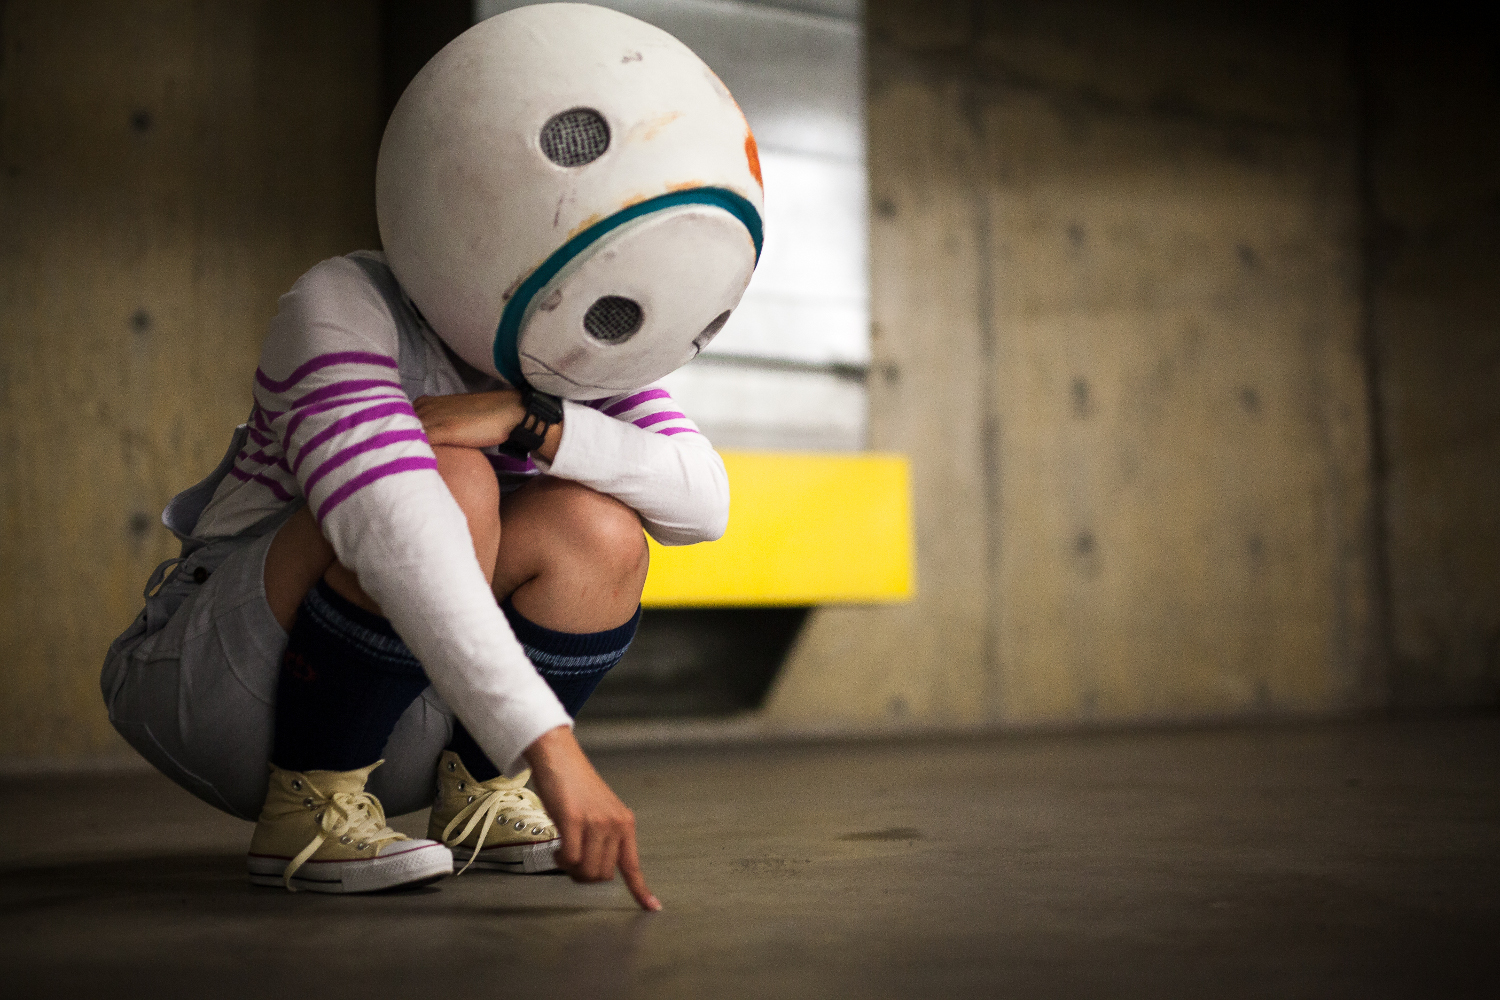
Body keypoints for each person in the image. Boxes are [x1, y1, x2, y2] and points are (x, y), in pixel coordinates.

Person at [99, 3, 765, 906]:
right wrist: (555, 750)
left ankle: (479, 794)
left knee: (600, 532)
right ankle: (307, 805)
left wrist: (528, 420)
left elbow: (703, 506)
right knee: (448, 480)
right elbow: (393, 523)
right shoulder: (345, 300)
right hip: (213, 687)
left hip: (403, 704)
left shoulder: (574, 358)